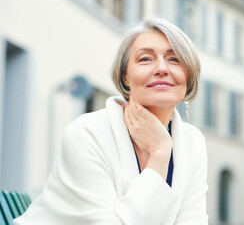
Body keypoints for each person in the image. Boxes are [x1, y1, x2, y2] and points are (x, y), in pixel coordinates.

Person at [14, 17, 208, 225]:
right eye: (145, 59)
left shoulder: (193, 142)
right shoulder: (87, 134)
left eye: (174, 59)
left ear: (188, 76)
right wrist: (160, 152)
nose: (161, 68)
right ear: (125, 76)